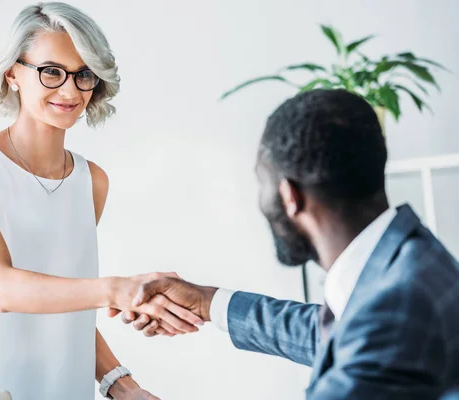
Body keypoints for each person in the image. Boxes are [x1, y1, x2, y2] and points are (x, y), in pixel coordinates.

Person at [0, 3, 202, 399]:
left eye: (84, 75)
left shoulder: (92, 182)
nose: (71, 90)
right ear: (13, 74)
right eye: (51, 71)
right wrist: (117, 289)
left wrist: (123, 387)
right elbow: (3, 289)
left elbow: (63, 304)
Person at [118, 89, 459, 398]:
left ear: (289, 196)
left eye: (262, 182)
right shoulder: (410, 258)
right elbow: (334, 335)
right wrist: (208, 302)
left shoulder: (394, 309)